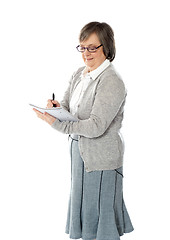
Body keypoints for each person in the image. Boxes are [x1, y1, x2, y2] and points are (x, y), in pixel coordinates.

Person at [33, 21, 134, 240]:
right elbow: (68, 106)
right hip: (80, 153)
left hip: (101, 157)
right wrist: (57, 109)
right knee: (86, 211)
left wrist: (56, 123)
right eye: (82, 47)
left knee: (100, 216)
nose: (85, 53)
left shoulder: (112, 81)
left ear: (106, 47)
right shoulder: (80, 73)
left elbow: (96, 126)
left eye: (92, 47)